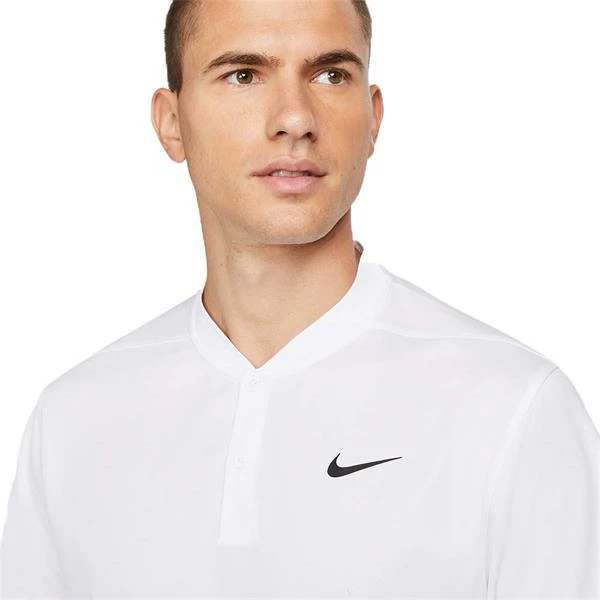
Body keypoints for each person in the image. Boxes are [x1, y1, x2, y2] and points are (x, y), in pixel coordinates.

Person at [1, 0, 598, 597]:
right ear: (171, 122)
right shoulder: (73, 422)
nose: (294, 118)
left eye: (330, 74)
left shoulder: (513, 409)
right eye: (243, 74)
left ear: (373, 118)